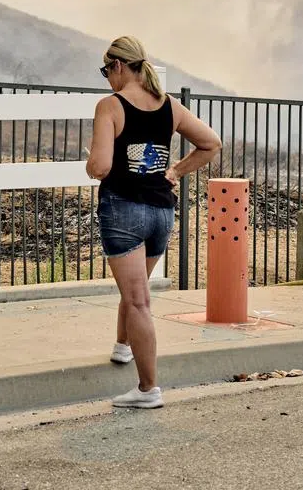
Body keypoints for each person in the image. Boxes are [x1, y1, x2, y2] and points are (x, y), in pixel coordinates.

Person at [86, 36, 221, 408]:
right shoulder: (170, 106)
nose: (106, 79)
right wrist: (176, 170)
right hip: (161, 211)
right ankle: (122, 347)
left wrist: (92, 161)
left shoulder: (109, 106)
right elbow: (211, 143)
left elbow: (99, 167)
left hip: (124, 209)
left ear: (118, 67)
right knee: (136, 290)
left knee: (137, 299)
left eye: (106, 71)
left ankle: (148, 390)